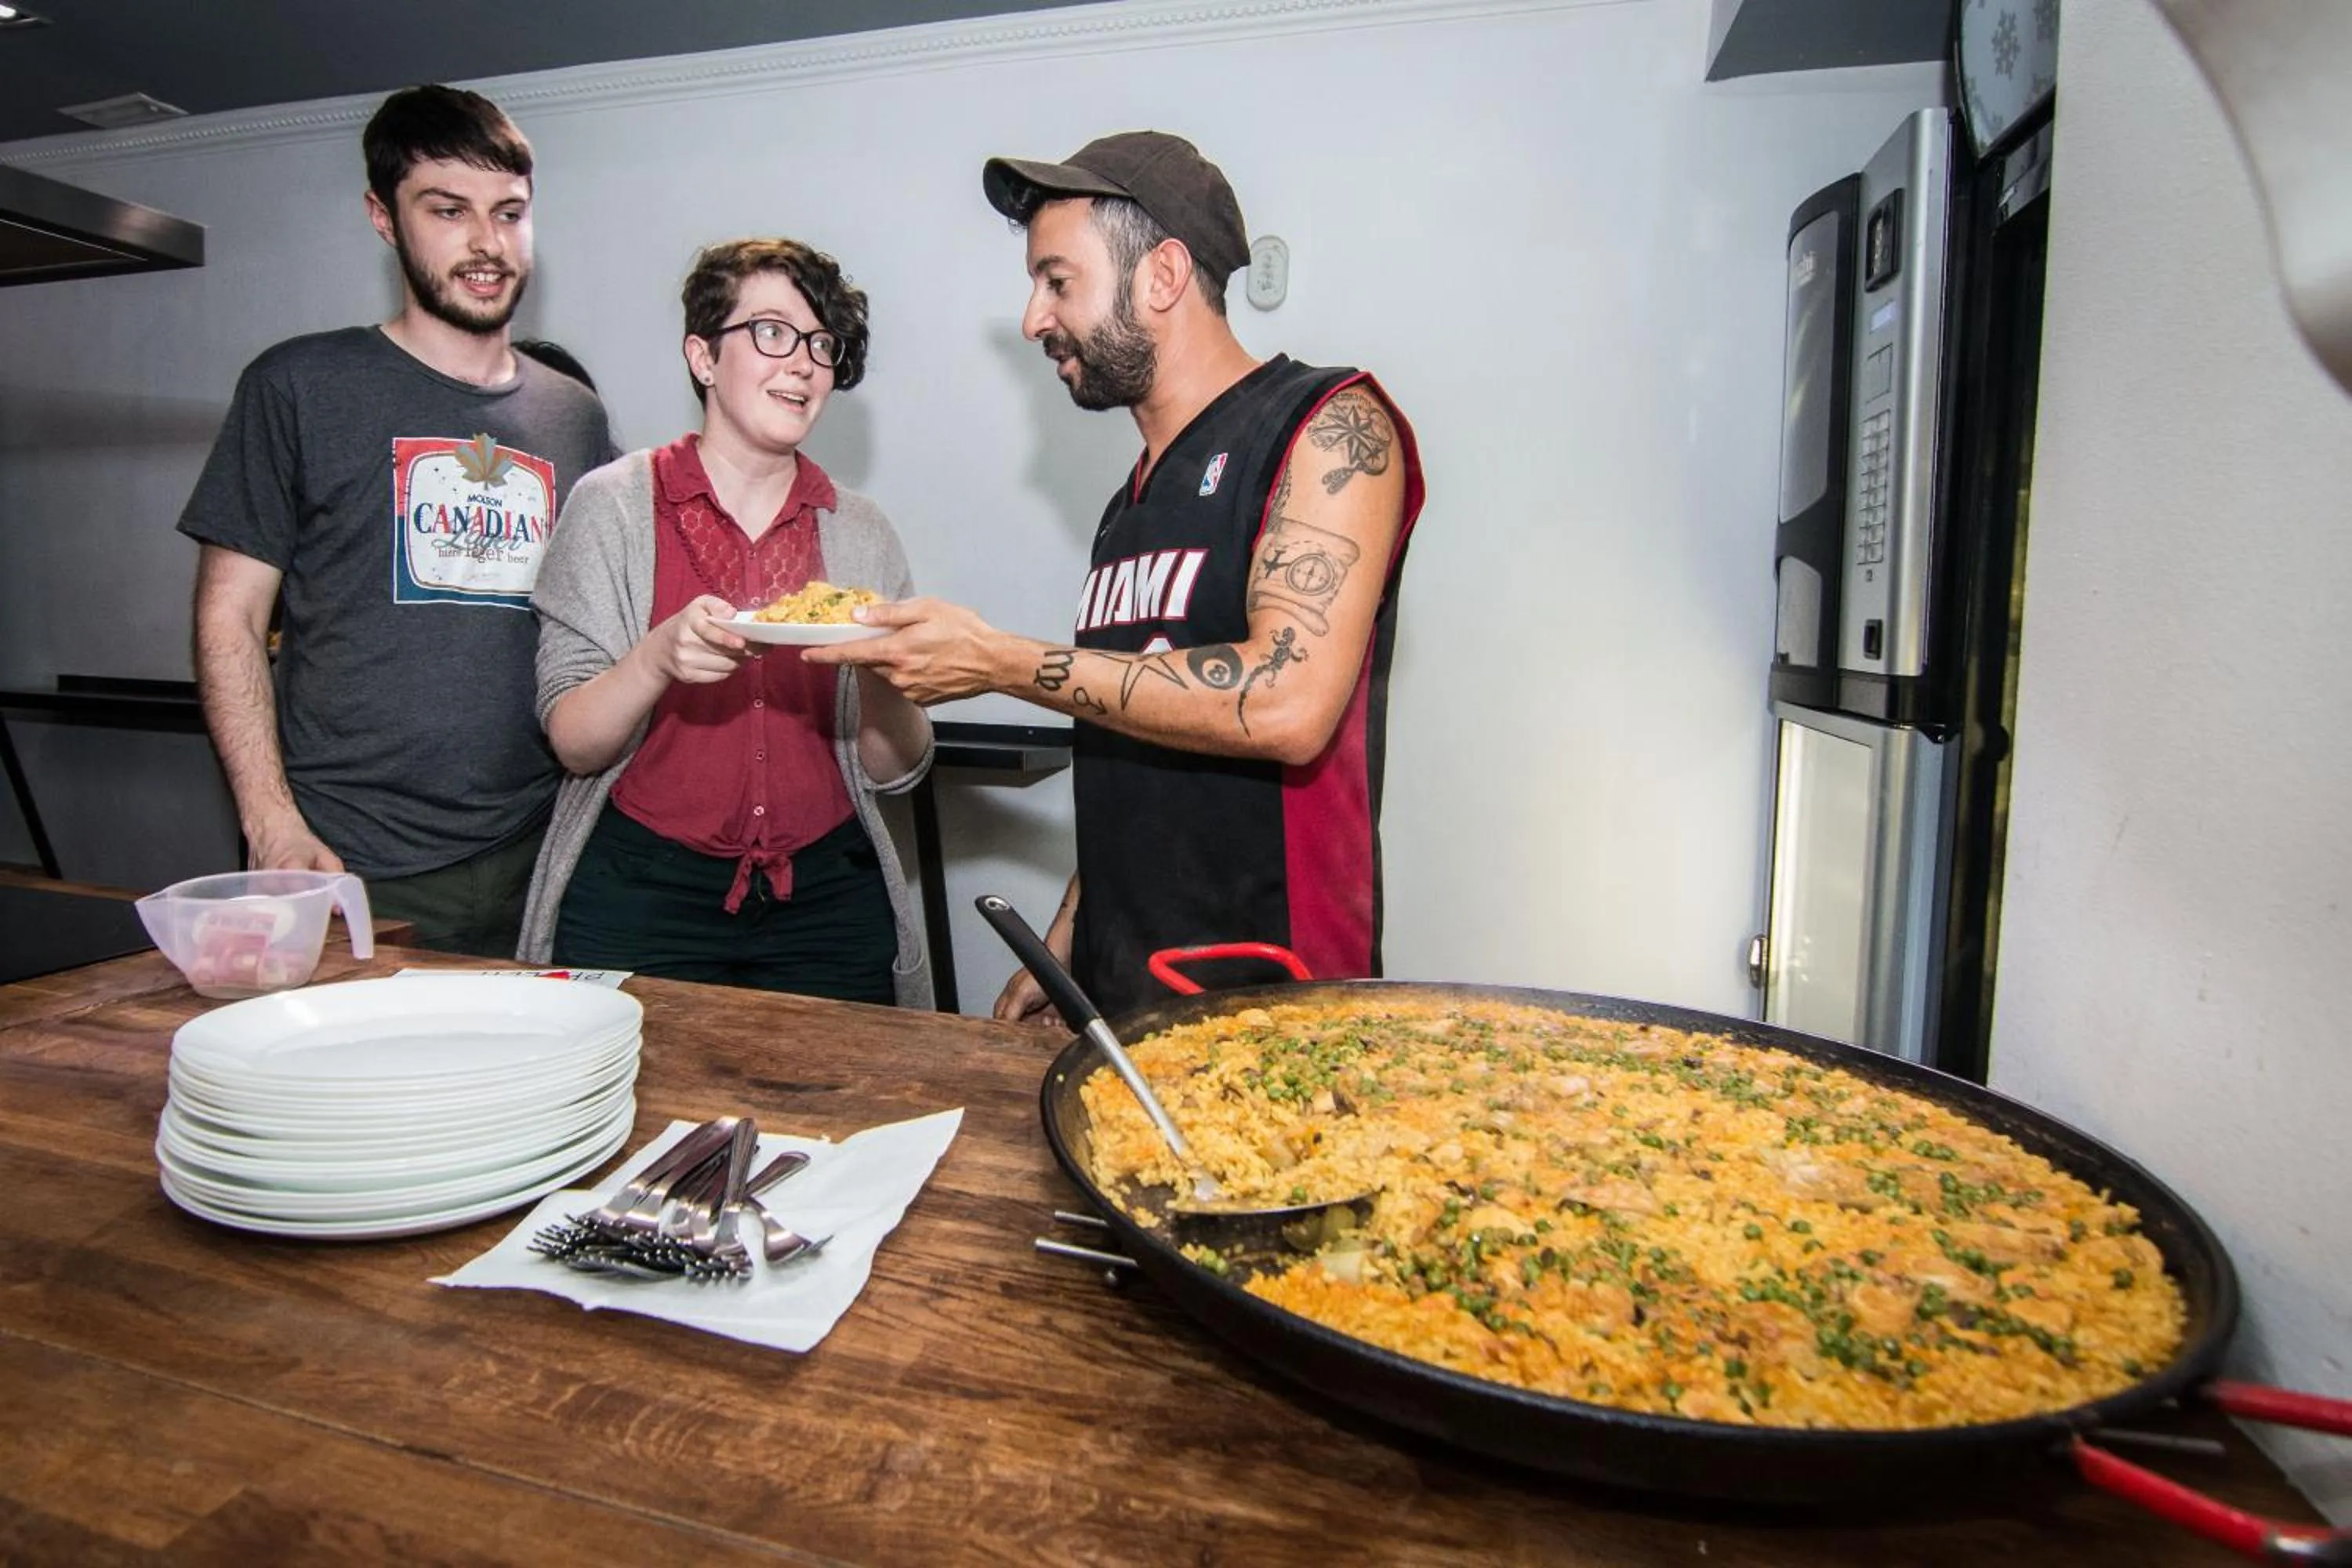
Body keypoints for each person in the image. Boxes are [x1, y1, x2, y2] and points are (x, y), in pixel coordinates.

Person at [809, 132, 1425, 1021]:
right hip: (1122, 980)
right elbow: (1133, 734)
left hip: (1273, 993)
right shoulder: (1125, 506)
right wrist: (1071, 939)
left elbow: (1287, 702)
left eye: (1058, 281)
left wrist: (1000, 661)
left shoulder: (1326, 429)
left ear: (1163, 276)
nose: (1033, 317)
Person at [179, 85, 619, 958]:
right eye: (448, 210)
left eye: (509, 212)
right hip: (351, 860)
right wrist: (269, 822)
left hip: (545, 847)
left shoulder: (575, 417)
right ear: (385, 217)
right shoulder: (298, 385)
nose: (487, 243)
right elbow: (227, 616)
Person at [517, 238, 935, 1005]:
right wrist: (655, 659)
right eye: (772, 332)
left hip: (827, 899)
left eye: (821, 344)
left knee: (844, 1112)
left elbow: (898, 767)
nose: (805, 364)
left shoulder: (860, 529)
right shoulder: (611, 507)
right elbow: (574, 743)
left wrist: (877, 669)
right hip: (641, 892)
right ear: (703, 356)